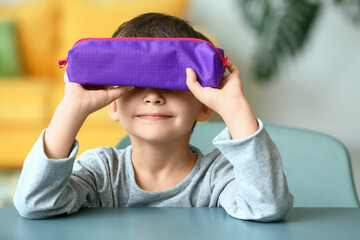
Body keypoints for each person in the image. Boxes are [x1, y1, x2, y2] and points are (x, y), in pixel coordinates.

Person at [13, 13, 293, 220]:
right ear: (112, 105)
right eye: (134, 84)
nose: (153, 96)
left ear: (204, 106)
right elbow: (35, 202)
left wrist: (235, 107)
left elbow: (267, 206)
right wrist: (71, 108)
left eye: (172, 83)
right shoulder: (101, 171)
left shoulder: (217, 176)